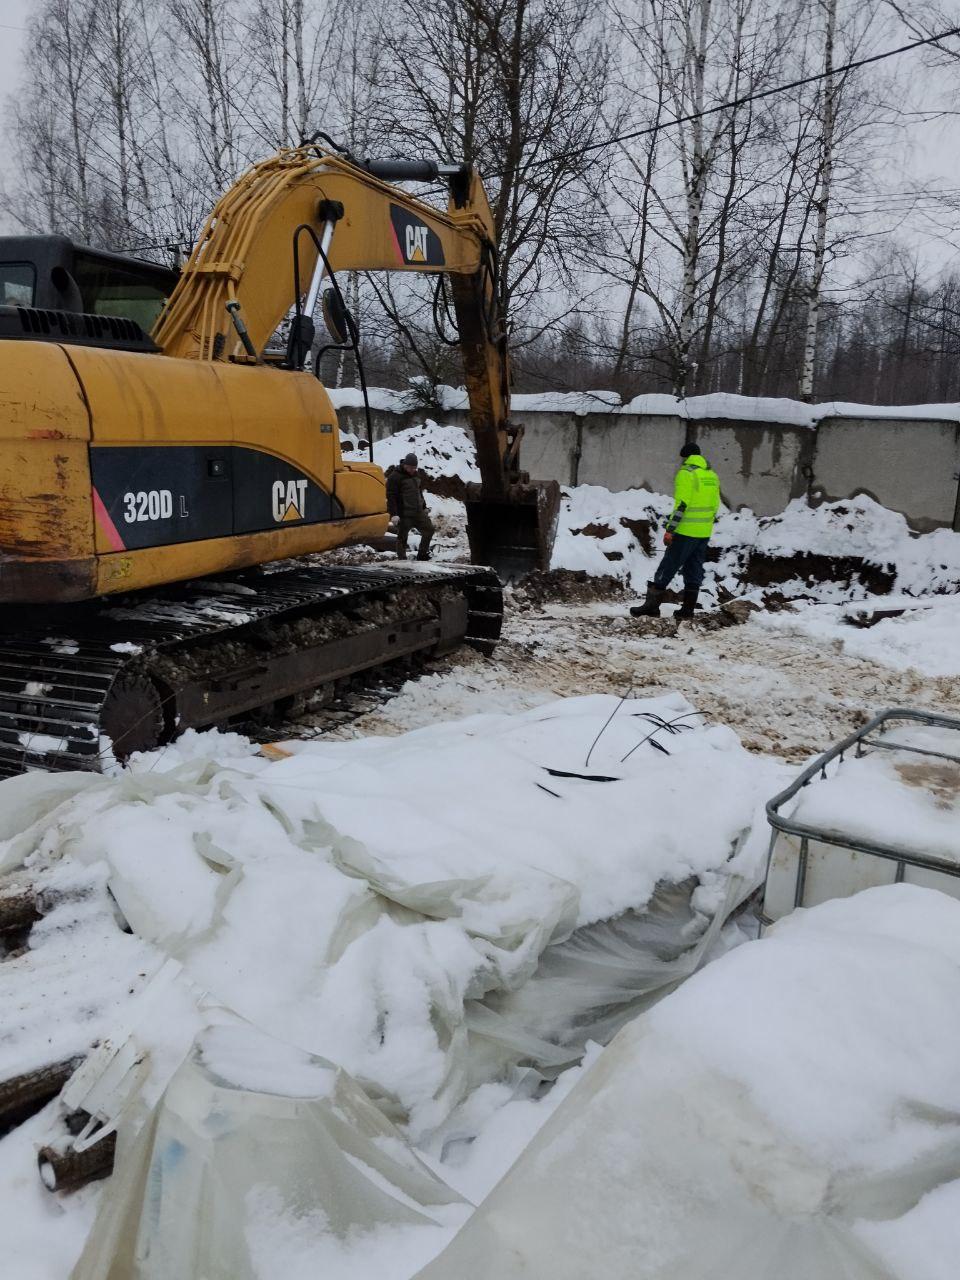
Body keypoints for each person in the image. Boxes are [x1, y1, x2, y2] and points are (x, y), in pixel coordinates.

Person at [631, 442, 720, 619]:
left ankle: (651, 607)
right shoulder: (711, 475)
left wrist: (670, 529)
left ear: (685, 458)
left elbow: (682, 505)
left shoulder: (686, 474)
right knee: (694, 569)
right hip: (703, 532)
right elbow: (716, 506)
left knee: (668, 566)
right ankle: (687, 610)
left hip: (686, 531)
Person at [386, 452, 434, 561]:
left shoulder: (416, 475)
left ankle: (422, 555)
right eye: (410, 467)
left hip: (418, 512)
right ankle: (402, 560)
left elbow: (419, 492)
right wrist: (394, 514)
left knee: (429, 530)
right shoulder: (395, 477)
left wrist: (424, 507)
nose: (412, 470)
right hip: (404, 514)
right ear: (404, 465)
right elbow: (391, 496)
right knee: (402, 537)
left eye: (414, 468)